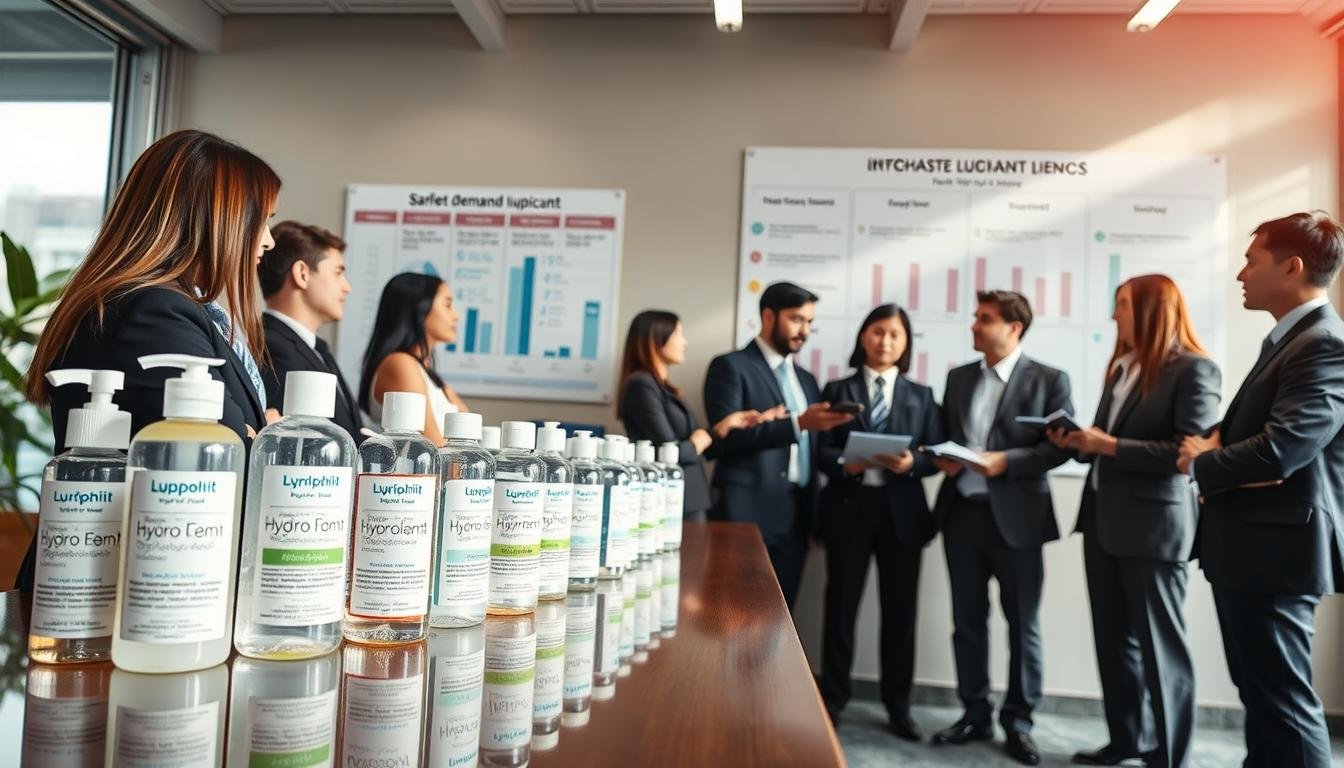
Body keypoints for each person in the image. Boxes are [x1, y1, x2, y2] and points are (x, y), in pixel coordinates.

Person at [16, 129, 280, 591]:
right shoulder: (155, 310)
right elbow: (227, 454)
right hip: (121, 591)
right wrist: (265, 438)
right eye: (263, 221)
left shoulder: (158, 305)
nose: (270, 241)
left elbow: (246, 435)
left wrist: (260, 434)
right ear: (215, 221)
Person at [1178, 212, 1344, 768]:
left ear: (1292, 267)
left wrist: (1205, 461)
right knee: (1264, 701)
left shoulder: (1323, 343)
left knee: (1285, 706)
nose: (1240, 274)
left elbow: (1283, 451)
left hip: (1277, 555)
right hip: (1254, 550)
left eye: (1252, 261)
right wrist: (1220, 450)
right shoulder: (1290, 340)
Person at [1046, 275, 1219, 768]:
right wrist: (1081, 443)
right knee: (1114, 642)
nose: (1113, 316)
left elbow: (1189, 453)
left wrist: (1110, 446)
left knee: (1161, 650)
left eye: (1121, 305)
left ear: (1149, 310)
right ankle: (1128, 741)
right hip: (1102, 521)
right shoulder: (1121, 368)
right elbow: (1106, 442)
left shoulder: (1194, 369)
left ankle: (1170, 758)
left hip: (1153, 529)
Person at [929, 289, 1072, 766]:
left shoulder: (1051, 379)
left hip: (1019, 522)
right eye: (976, 317)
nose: (974, 325)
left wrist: (1004, 462)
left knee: (1023, 625)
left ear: (1013, 327)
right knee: (967, 622)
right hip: (962, 517)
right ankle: (974, 713)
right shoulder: (958, 378)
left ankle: (1019, 722)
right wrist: (946, 459)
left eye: (984, 319)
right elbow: (945, 435)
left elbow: (1059, 449)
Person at [815, 303, 944, 741]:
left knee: (900, 615)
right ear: (863, 337)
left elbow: (935, 456)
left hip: (902, 516)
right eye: (877, 332)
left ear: (905, 343)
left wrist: (913, 464)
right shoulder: (837, 388)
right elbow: (820, 451)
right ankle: (832, 700)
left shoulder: (922, 395)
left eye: (895, 334)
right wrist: (844, 465)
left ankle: (898, 705)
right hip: (850, 510)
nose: (885, 341)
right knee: (840, 610)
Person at [702, 281, 853, 608]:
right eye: (797, 319)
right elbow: (724, 440)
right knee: (735, 616)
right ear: (768, 317)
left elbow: (814, 451)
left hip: (796, 516)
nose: (805, 330)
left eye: (810, 322)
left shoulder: (808, 381)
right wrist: (797, 424)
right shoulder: (730, 367)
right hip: (745, 513)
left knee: (780, 622)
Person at [617, 309, 765, 522]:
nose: (684, 342)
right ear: (655, 340)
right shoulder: (641, 385)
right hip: (670, 502)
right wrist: (697, 441)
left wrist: (720, 428)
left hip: (689, 499)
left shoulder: (664, 388)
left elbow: (695, 444)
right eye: (678, 334)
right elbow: (670, 452)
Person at [257, 220, 365, 443]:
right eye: (338, 273)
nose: (347, 287)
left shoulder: (317, 349)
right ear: (302, 274)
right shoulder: (271, 348)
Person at [357, 272, 469, 446]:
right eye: (447, 305)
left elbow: (471, 434)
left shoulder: (427, 373)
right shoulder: (400, 363)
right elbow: (433, 447)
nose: (456, 316)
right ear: (420, 309)